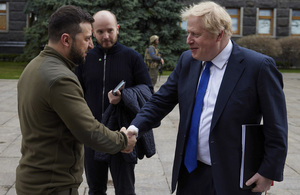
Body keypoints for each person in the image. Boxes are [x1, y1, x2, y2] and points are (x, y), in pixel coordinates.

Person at [128, 1, 288, 195]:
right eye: (188, 33)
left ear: (219, 34)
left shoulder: (258, 67)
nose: (188, 40)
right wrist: (135, 128)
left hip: (233, 178)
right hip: (190, 173)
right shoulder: (188, 60)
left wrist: (268, 172)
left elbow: (276, 125)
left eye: (195, 34)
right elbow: (161, 100)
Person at [16, 5, 136, 195]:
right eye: (87, 39)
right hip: (52, 186)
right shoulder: (61, 79)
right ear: (66, 39)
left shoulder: (34, 66)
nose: (91, 45)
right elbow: (89, 131)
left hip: (32, 180)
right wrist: (123, 140)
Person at [75, 10, 153, 195]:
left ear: (117, 29)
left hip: (121, 134)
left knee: (125, 190)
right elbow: (77, 94)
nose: (106, 36)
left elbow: (149, 92)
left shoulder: (132, 57)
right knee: (95, 189)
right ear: (93, 32)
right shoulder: (85, 59)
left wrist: (125, 96)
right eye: (100, 32)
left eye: (110, 30)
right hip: (93, 135)